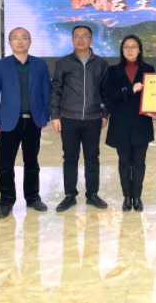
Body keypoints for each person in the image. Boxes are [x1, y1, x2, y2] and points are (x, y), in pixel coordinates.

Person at [0, 27, 51, 219]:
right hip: (8, 122)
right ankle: (6, 201)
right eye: (15, 38)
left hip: (33, 121)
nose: (20, 41)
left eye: (24, 38)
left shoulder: (40, 64)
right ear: (10, 43)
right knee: (6, 164)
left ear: (30, 41)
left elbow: (46, 92)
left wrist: (45, 115)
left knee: (32, 162)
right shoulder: (0, 65)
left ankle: (33, 198)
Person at [50, 25, 109, 212]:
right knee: (70, 158)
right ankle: (70, 195)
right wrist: (55, 116)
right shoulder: (63, 63)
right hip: (69, 118)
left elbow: (105, 91)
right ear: (72, 40)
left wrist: (104, 114)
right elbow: (56, 90)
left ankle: (92, 194)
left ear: (91, 39)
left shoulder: (101, 64)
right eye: (76, 36)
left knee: (92, 157)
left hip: (93, 118)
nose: (80, 39)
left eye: (84, 36)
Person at [103, 35, 155, 212]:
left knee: (139, 162)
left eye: (134, 47)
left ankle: (137, 196)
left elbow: (154, 94)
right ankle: (127, 196)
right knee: (124, 161)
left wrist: (154, 106)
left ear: (139, 50)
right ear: (122, 50)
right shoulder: (112, 70)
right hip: (121, 123)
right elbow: (109, 94)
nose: (130, 50)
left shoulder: (148, 69)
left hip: (141, 122)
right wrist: (129, 90)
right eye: (126, 47)